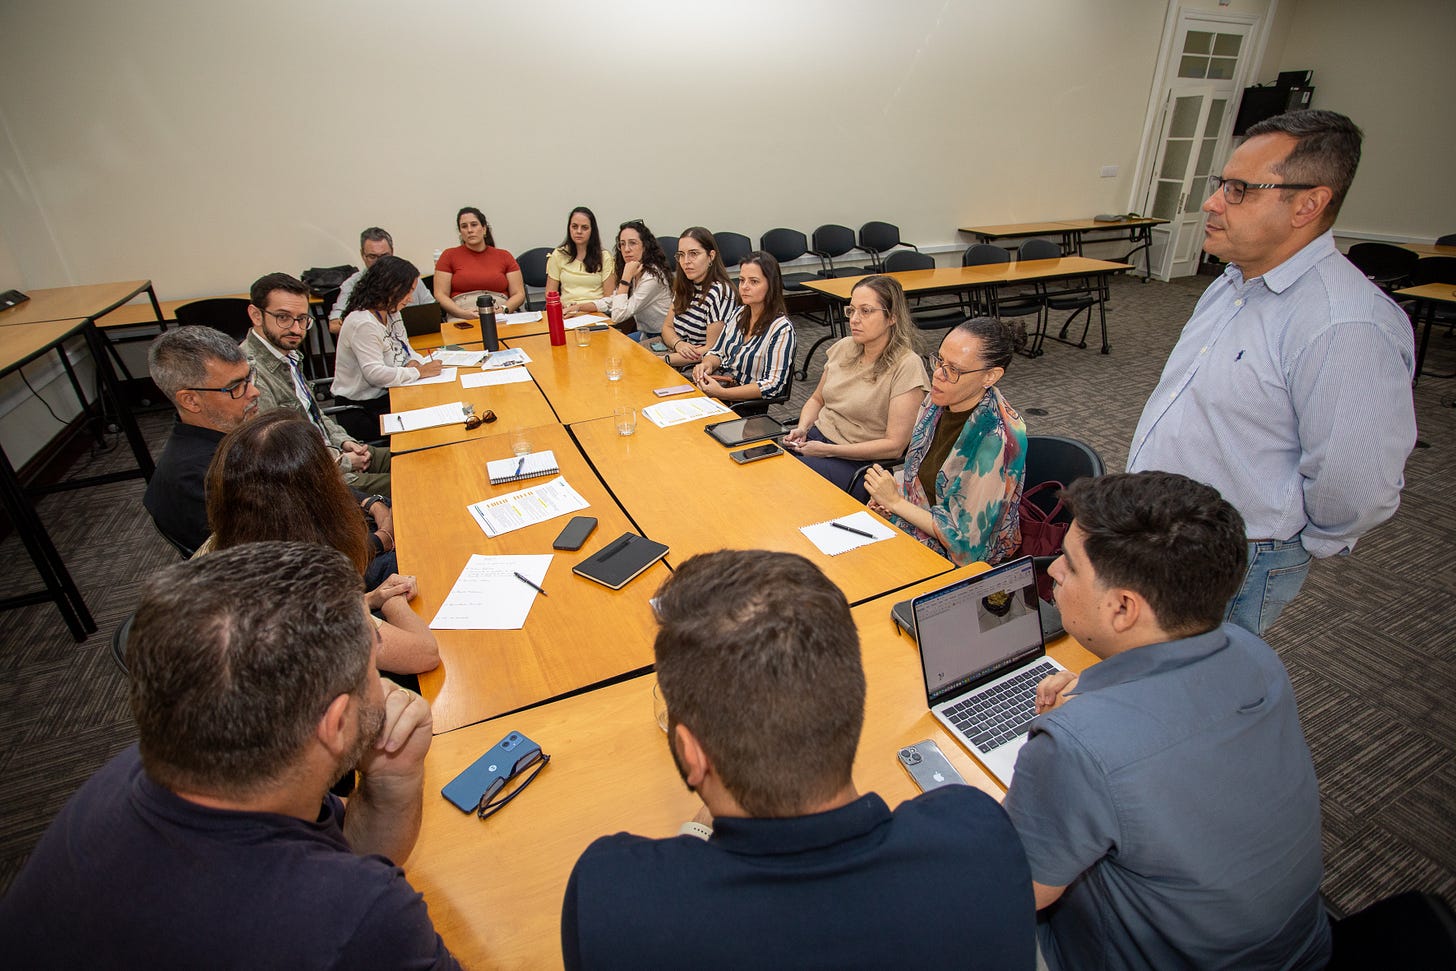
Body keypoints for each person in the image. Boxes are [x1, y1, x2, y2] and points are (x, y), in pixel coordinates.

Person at [561, 550, 1034, 969]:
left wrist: (697, 833)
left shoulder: (612, 903)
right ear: (850, 702)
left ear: (691, 754)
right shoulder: (980, 836)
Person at [0, 541, 458, 968]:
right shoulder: (358, 917)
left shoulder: (151, 769)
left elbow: (348, 849)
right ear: (336, 724)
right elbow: (344, 900)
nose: (384, 686)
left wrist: (392, 780)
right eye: (373, 664)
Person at [1002, 471, 1330, 971]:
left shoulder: (1077, 745)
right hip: (1296, 949)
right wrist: (1100, 693)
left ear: (1123, 608)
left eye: (1069, 563)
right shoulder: (1256, 656)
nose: (1054, 573)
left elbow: (1017, 891)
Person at [1127, 109, 1416, 635]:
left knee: (1203, 679)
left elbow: (1358, 483)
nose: (1213, 202)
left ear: (1308, 204)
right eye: (1220, 184)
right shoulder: (1232, 284)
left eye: (1239, 190)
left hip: (1236, 556)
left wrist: (1292, 541)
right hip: (1162, 534)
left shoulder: (1344, 325)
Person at [206, 410, 440, 677]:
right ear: (316, 495)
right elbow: (424, 654)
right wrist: (392, 601)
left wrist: (372, 598)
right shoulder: (306, 591)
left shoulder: (248, 558)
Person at [864, 317, 1026, 566]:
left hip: (964, 562)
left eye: (954, 370)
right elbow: (918, 477)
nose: (938, 374)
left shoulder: (996, 440)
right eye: (939, 360)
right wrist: (893, 496)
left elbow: (966, 546)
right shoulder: (938, 401)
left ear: (990, 376)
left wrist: (895, 503)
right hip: (920, 523)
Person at [243, 271, 392, 496]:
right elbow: (280, 455)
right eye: (283, 317)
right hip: (320, 481)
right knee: (421, 481)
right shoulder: (249, 373)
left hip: (333, 453)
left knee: (423, 456)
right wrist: (343, 461)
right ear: (256, 315)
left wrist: (344, 442)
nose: (296, 329)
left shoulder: (288, 355)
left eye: (302, 319)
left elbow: (315, 414)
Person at [783, 275, 929, 500]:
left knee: (786, 480)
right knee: (762, 462)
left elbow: (894, 446)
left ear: (892, 317)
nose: (854, 319)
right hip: (816, 442)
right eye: (851, 311)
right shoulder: (844, 347)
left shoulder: (907, 365)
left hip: (859, 463)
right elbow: (817, 400)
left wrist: (828, 451)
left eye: (866, 311)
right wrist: (802, 428)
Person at [143, 326, 261, 554]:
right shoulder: (203, 479)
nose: (254, 391)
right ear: (190, 400)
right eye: (236, 386)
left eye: (250, 377)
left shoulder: (226, 441)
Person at [331, 255, 444, 433]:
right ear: (390, 288)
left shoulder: (391, 312)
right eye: (408, 291)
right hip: (362, 408)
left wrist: (413, 361)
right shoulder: (363, 322)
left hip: (389, 393)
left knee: (437, 405)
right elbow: (374, 374)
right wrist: (418, 372)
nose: (411, 299)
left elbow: (406, 348)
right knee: (428, 427)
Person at [690, 251, 796, 404]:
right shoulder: (739, 313)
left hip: (743, 404)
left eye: (754, 282)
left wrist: (724, 393)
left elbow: (773, 385)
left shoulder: (782, 329)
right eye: (741, 280)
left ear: (771, 285)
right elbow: (717, 351)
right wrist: (707, 364)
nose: (744, 287)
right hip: (720, 387)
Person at [328, 227, 433, 335]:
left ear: (392, 252)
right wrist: (372, 328)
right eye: (372, 256)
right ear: (363, 255)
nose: (380, 262)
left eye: (384, 256)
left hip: (414, 337)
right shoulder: (352, 284)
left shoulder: (409, 278)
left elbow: (433, 311)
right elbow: (334, 325)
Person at [659, 226, 737, 367]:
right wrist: (678, 343)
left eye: (693, 254)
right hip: (674, 351)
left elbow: (712, 349)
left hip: (698, 365)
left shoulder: (720, 292)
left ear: (711, 256)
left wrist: (665, 360)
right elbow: (666, 327)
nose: (686, 261)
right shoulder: (685, 284)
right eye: (681, 255)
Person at [586, 219, 674, 342]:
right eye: (622, 244)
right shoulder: (635, 268)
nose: (626, 249)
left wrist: (625, 278)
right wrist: (581, 307)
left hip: (663, 338)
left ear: (645, 246)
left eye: (632, 243)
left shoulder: (652, 277)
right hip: (645, 334)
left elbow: (618, 316)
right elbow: (614, 300)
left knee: (615, 347)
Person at [433, 206, 525, 320]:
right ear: (460, 232)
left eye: (474, 225)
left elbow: (519, 294)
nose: (469, 230)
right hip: (461, 313)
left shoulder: (504, 256)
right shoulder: (448, 255)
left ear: (484, 228)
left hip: (500, 312)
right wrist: (462, 313)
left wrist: (503, 310)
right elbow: (440, 294)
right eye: (464, 226)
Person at [549, 206, 617, 311]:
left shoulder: (604, 257)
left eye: (585, 228)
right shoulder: (558, 254)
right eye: (574, 227)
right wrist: (561, 308)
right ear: (569, 228)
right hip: (566, 312)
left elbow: (609, 299)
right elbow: (550, 294)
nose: (579, 231)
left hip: (596, 312)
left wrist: (580, 308)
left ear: (592, 230)